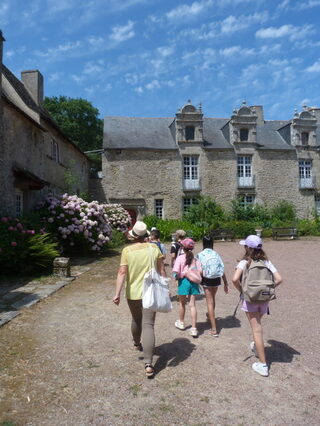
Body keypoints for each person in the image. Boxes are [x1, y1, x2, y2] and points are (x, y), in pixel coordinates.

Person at [113, 221, 166, 378]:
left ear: (133, 235)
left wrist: (117, 294)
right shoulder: (154, 248)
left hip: (133, 292)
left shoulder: (127, 251)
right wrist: (165, 288)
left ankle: (137, 344)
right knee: (148, 325)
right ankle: (148, 364)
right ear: (146, 235)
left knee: (136, 319)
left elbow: (122, 273)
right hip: (151, 291)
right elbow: (162, 269)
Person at [232, 235, 282, 377]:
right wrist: (268, 289)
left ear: (247, 248)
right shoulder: (267, 262)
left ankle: (263, 364)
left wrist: (243, 290)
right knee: (258, 324)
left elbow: (235, 279)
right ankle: (256, 346)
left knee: (256, 329)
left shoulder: (245, 262)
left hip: (250, 299)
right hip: (264, 298)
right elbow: (279, 279)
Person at [196, 236, 229, 337]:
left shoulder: (200, 255)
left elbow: (197, 269)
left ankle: (214, 329)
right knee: (212, 299)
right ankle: (210, 316)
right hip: (216, 279)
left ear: (203, 243)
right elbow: (222, 269)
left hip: (207, 279)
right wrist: (225, 283)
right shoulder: (216, 254)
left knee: (209, 302)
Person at [172, 238, 202, 337]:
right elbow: (201, 271)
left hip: (183, 282)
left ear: (182, 247)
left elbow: (175, 272)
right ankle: (194, 328)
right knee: (192, 305)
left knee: (182, 303)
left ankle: (181, 322)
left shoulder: (180, 258)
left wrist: (177, 277)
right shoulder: (196, 259)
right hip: (194, 282)